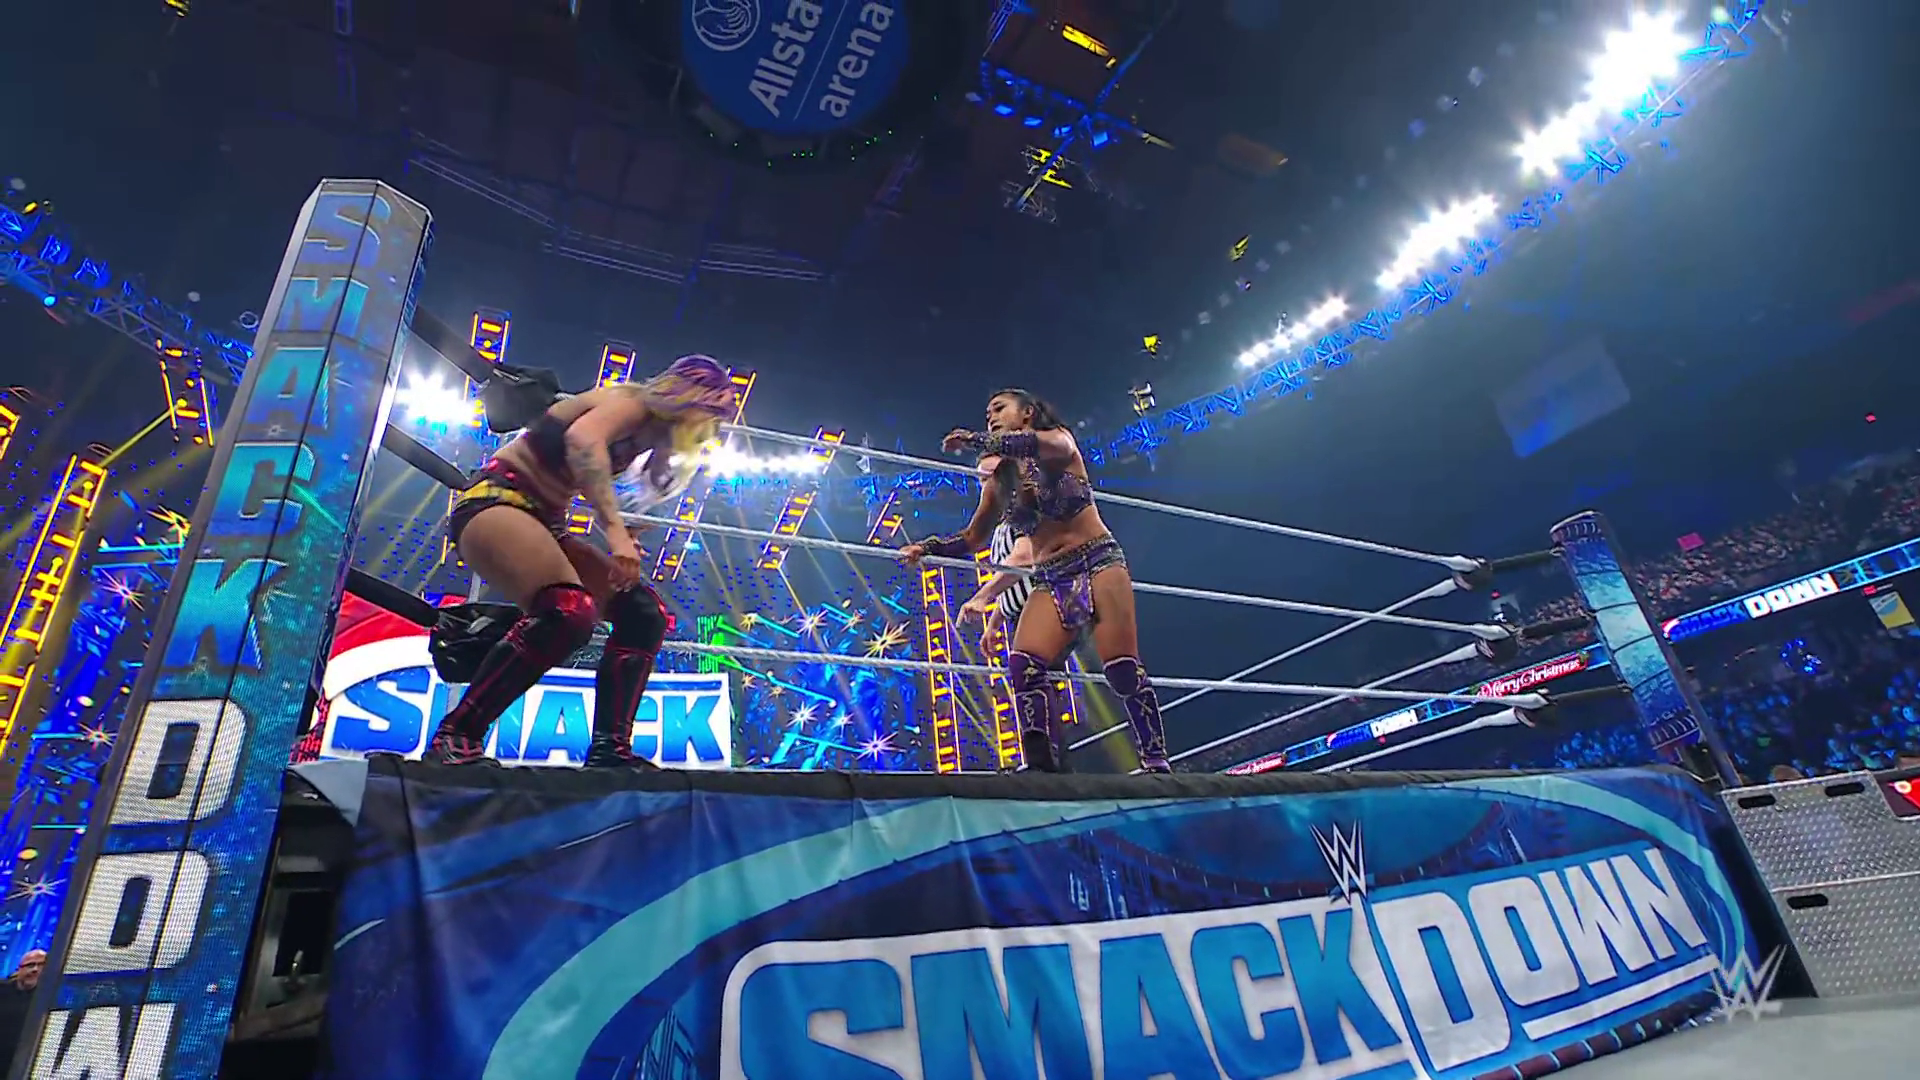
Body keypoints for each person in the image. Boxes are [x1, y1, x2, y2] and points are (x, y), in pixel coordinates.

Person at [428, 355, 737, 767]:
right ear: (690, 400)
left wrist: (625, 532)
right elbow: (582, 441)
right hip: (495, 500)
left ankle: (611, 749)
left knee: (643, 613)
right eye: (709, 418)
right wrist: (615, 533)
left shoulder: (646, 436)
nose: (709, 432)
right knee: (569, 611)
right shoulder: (632, 402)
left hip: (542, 520)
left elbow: (584, 474)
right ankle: (457, 734)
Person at [901, 389, 1169, 773]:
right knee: (1023, 665)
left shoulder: (1058, 442)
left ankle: (1155, 761)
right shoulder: (1000, 482)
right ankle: (1042, 767)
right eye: (987, 414)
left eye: (999, 409)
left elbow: (1027, 445)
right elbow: (973, 538)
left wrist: (975, 440)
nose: (991, 417)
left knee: (1121, 668)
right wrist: (928, 548)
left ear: (1027, 412)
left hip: (1097, 559)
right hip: (1051, 575)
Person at [957, 519, 1070, 771]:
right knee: (1033, 685)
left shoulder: (1022, 514)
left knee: (1038, 683)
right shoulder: (1001, 531)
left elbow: (1024, 557)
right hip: (1022, 614)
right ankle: (1048, 764)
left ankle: (1050, 765)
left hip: (1041, 606)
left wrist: (982, 596)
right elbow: (1011, 582)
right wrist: (993, 624)